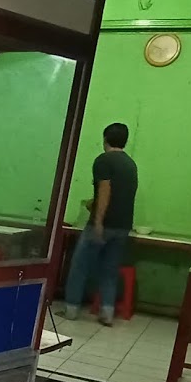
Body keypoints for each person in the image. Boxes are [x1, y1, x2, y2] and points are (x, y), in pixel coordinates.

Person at [60, 123, 139, 326]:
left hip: (104, 224)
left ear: (105, 139)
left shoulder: (103, 161)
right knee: (110, 270)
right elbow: (122, 195)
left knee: (80, 266)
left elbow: (105, 191)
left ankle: (71, 309)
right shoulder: (131, 164)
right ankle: (107, 313)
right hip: (123, 226)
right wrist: (92, 203)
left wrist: (98, 221)